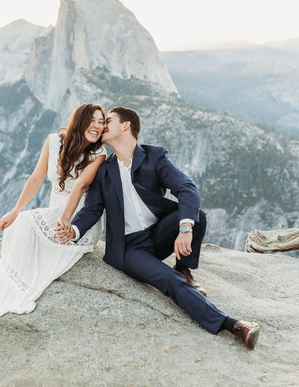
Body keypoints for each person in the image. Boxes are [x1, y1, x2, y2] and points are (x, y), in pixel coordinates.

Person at [55, 106, 261, 349]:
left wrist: (185, 229)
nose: (101, 126)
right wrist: (74, 230)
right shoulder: (103, 171)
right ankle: (233, 325)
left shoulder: (154, 157)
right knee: (169, 281)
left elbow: (187, 188)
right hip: (129, 250)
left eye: (107, 120)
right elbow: (91, 210)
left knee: (196, 215)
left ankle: (184, 268)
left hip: (156, 235)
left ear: (125, 126)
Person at [0, 103, 107, 325]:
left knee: (28, 223)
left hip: (79, 218)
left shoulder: (99, 153)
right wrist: (16, 210)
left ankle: (20, 286)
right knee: (18, 224)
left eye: (101, 122)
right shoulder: (54, 141)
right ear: (80, 121)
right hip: (54, 211)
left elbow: (80, 186)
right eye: (92, 120)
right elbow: (36, 177)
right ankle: (12, 282)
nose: (97, 126)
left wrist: (65, 219)